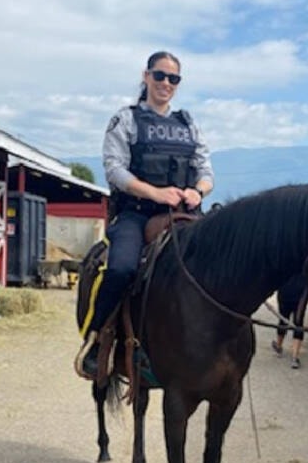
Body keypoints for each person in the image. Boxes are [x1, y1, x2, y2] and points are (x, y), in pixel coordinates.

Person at [75, 51, 213, 380]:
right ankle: (96, 338)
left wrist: (199, 191)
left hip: (183, 211)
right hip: (135, 214)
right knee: (121, 268)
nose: (166, 83)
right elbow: (115, 170)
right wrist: (155, 192)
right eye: (160, 75)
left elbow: (206, 171)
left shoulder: (189, 124)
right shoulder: (126, 120)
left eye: (173, 78)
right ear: (146, 76)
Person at [270, 274, 308, 369]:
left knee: (283, 321)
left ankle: (279, 346)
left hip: (285, 292)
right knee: (298, 324)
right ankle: (294, 357)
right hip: (301, 295)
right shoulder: (305, 261)